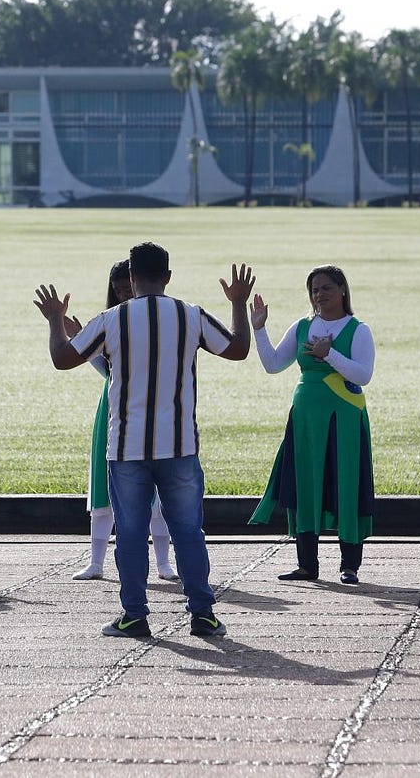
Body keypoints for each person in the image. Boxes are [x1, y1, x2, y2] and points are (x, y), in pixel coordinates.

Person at [35, 242, 253, 639]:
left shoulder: (112, 318)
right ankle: (202, 613)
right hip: (180, 445)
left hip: (127, 447)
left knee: (131, 534)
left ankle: (134, 614)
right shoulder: (191, 315)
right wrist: (238, 303)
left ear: (131, 279)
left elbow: (63, 359)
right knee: (188, 531)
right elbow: (238, 349)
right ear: (168, 277)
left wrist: (55, 319)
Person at [249, 265, 376, 584]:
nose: (320, 294)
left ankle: (350, 565)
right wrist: (259, 329)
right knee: (306, 483)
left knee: (346, 481)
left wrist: (329, 354)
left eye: (326, 288)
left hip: (344, 415)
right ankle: (307, 564)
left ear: (343, 289)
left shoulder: (358, 329)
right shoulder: (302, 326)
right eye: (315, 289)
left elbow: (363, 375)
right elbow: (273, 364)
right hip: (306, 416)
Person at [68, 259, 177, 582]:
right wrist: (82, 346)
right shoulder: (112, 321)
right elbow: (110, 371)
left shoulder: (161, 320)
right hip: (114, 405)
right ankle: (97, 561)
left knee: (158, 487)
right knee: (104, 482)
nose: (122, 295)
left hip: (152, 406)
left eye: (126, 289)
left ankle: (163, 561)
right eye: (117, 291)